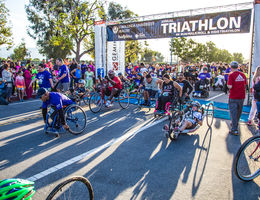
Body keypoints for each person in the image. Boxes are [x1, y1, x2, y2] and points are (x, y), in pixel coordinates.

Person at [227, 61, 247, 135]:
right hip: (241, 96)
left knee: (233, 113)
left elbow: (230, 86)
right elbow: (245, 84)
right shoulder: (243, 74)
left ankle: (234, 129)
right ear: (238, 67)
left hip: (233, 96)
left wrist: (227, 85)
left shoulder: (231, 75)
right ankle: (235, 123)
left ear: (231, 67)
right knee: (239, 111)